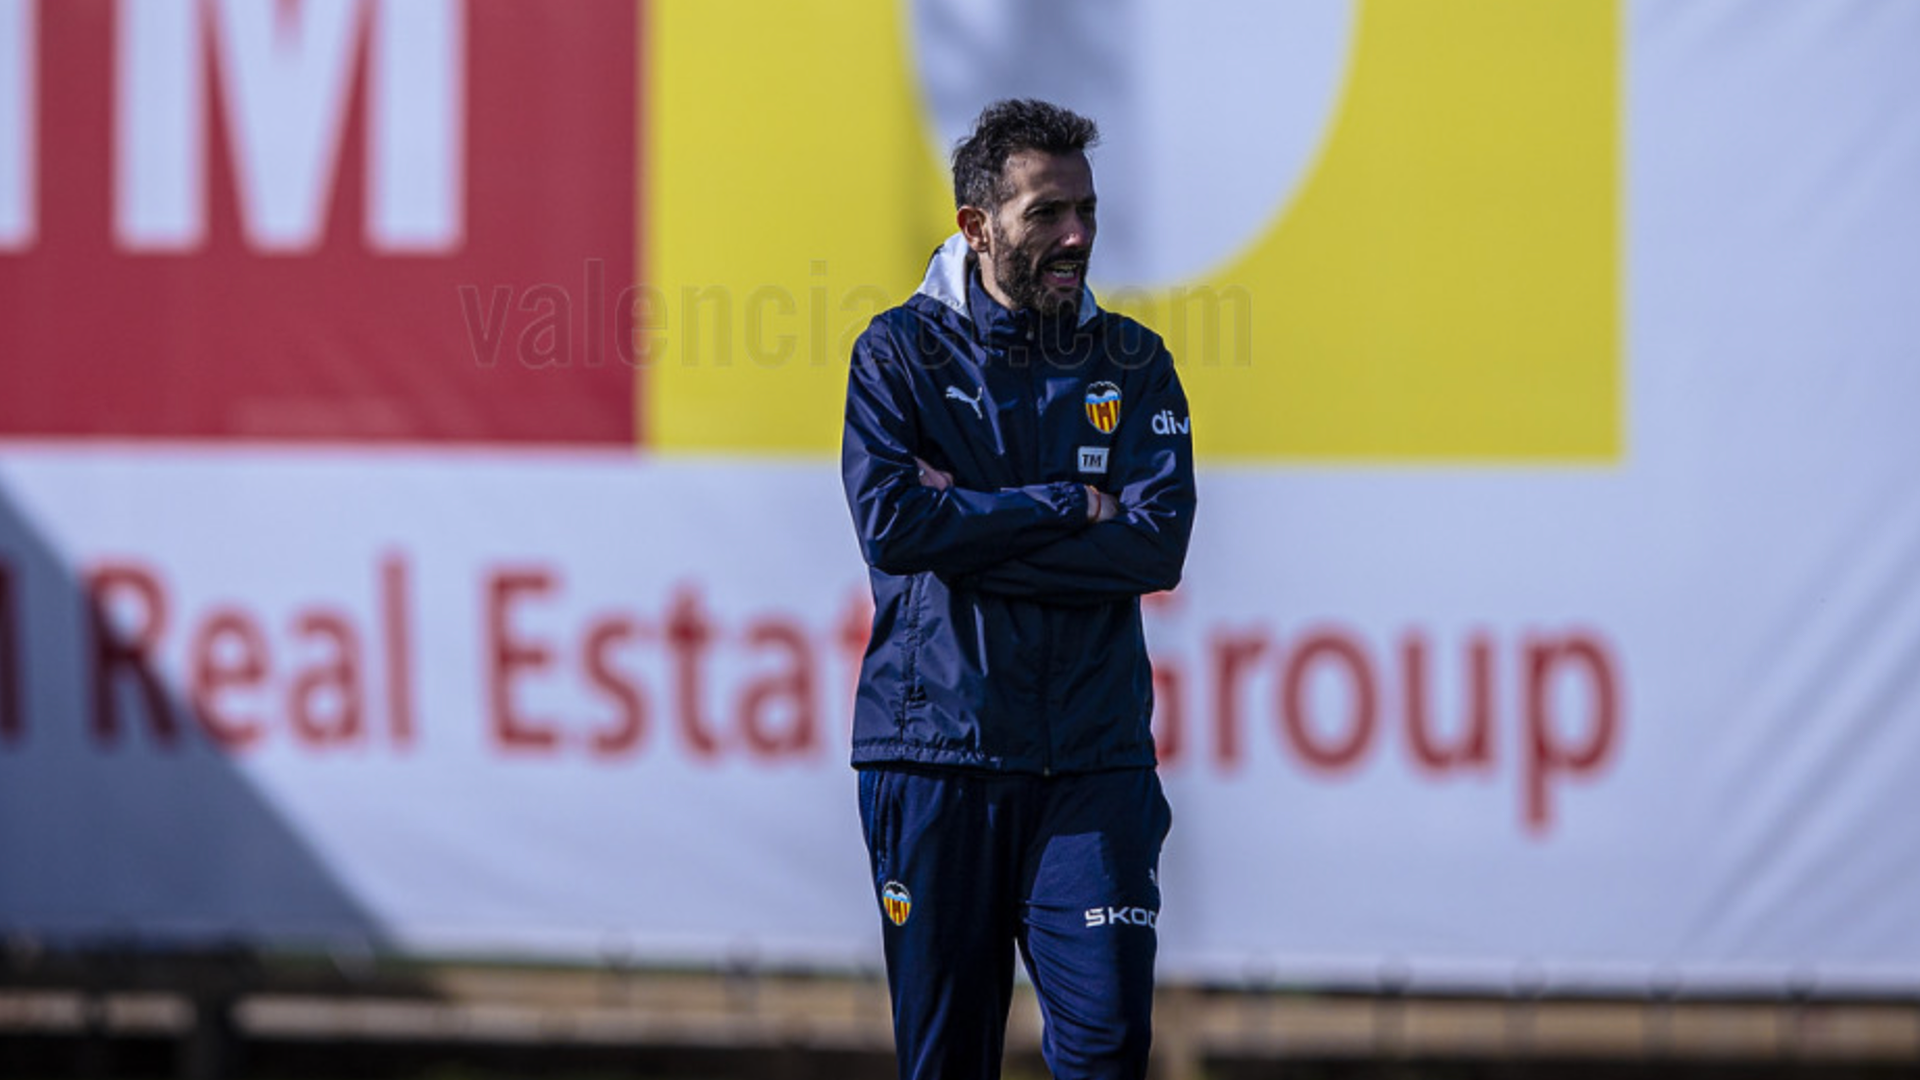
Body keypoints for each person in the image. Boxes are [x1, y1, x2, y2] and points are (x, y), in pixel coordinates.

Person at [840, 99, 1198, 1080]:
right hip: (935, 757)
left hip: (1092, 763)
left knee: (1110, 1044)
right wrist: (1059, 503)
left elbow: (1152, 550)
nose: (1076, 235)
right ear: (976, 225)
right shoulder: (896, 354)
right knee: (948, 1060)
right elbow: (897, 528)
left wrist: (973, 532)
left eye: (1086, 208)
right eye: (1046, 213)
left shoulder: (1134, 361)